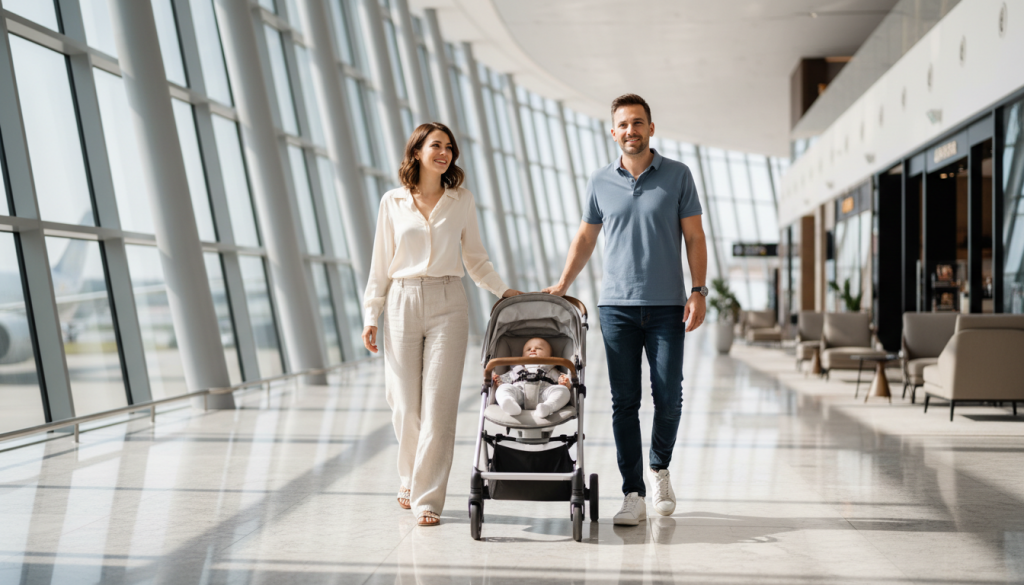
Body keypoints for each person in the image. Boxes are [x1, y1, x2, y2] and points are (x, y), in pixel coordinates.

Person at [543, 94, 708, 526]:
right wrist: (563, 283)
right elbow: (585, 238)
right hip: (616, 307)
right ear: (613, 132)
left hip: (668, 306)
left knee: (669, 397)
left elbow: (695, 236)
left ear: (651, 128)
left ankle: (659, 468)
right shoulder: (600, 181)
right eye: (623, 124)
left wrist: (698, 290)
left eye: (638, 122)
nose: (630, 130)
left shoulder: (678, 175)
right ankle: (632, 492)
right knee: (624, 403)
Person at [362, 122, 522, 527]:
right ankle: (408, 476)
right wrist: (371, 314)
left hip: (449, 302)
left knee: (439, 405)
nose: (444, 153)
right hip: (401, 300)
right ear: (416, 151)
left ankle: (427, 497)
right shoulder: (392, 201)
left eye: (449, 147)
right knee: (404, 403)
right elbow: (380, 263)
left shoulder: (461, 200)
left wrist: (502, 290)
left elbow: (475, 259)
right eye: (436, 145)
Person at [491, 337, 572, 418]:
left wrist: (564, 383)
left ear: (550, 356)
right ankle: (509, 403)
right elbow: (505, 381)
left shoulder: (552, 369)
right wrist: (499, 382)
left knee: (563, 391)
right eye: (528, 349)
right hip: (520, 394)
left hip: (544, 396)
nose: (532, 350)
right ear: (522, 356)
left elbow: (561, 381)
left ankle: (548, 407)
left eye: (539, 348)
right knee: (503, 389)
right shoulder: (516, 369)